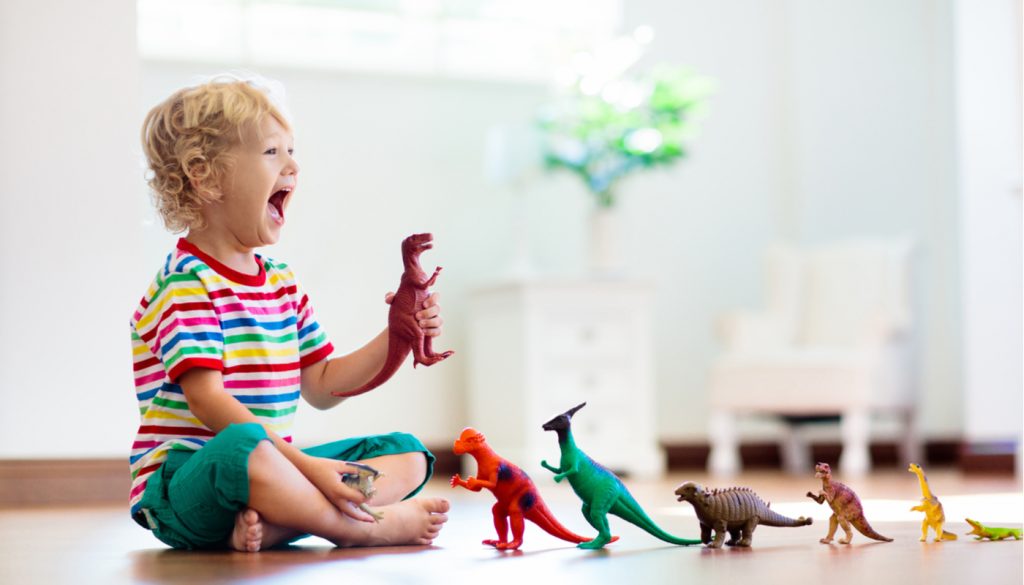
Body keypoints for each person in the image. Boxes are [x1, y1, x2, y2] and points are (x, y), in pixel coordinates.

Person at [129, 76, 449, 552]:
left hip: (274, 471)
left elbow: (322, 385)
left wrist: (395, 334)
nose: (293, 166)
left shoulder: (280, 282)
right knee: (244, 449)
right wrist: (307, 465)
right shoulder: (186, 282)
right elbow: (208, 402)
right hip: (185, 488)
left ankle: (280, 522)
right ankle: (359, 525)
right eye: (272, 152)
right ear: (205, 174)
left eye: (292, 151)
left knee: (406, 453)